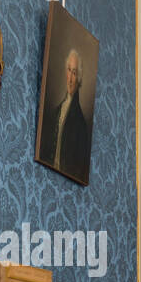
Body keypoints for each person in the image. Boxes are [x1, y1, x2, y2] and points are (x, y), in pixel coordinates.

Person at [39, 47, 91, 183]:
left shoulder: (81, 125)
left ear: (78, 79)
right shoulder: (57, 111)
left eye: (74, 73)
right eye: (69, 70)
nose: (70, 79)